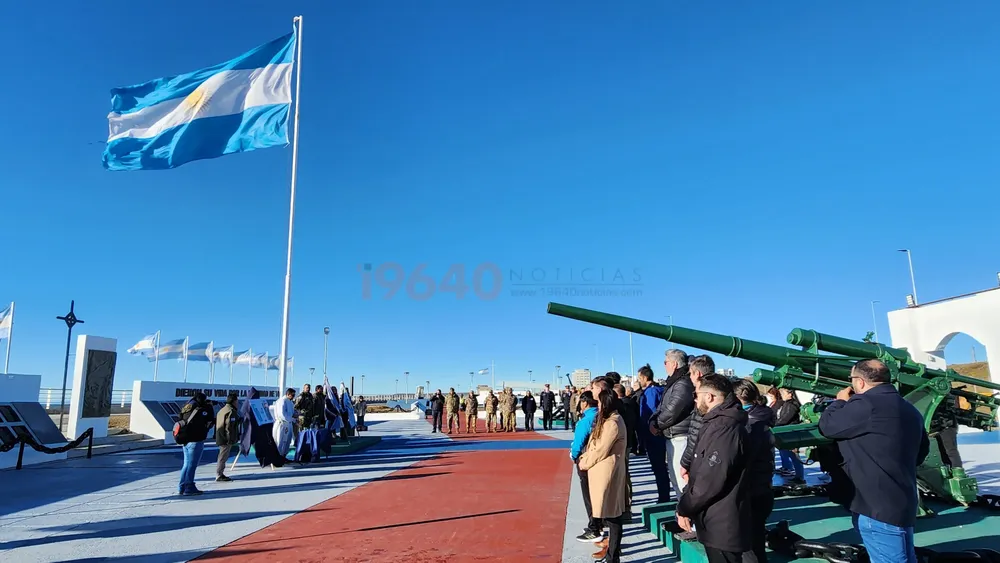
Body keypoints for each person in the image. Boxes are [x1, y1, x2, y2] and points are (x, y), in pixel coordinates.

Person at [818, 359, 929, 563]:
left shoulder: (866, 405)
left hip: (875, 506)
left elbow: (828, 426)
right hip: (902, 499)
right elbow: (921, 452)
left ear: (860, 382)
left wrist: (840, 402)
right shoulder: (909, 409)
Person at [676, 374, 750, 563]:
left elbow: (710, 479)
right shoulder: (715, 423)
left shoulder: (724, 427)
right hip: (716, 518)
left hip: (722, 521)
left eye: (697, 394)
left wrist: (684, 507)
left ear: (709, 397)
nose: (695, 399)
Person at [579, 389, 629, 563]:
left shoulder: (613, 423)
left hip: (607, 473)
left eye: (599, 403)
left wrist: (584, 461)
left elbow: (600, 449)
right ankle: (611, 554)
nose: (597, 406)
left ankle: (613, 556)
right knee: (609, 513)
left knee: (612, 515)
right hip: (602, 471)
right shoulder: (608, 421)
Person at [733, 379, 775, 563]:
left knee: (748, 545)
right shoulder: (763, 418)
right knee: (756, 538)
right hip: (763, 487)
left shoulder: (747, 425)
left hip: (749, 489)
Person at [650, 348, 694, 499]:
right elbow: (662, 407)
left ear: (674, 364)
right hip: (673, 435)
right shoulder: (674, 382)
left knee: (682, 480)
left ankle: (688, 517)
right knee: (676, 479)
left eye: (665, 362)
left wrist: (656, 424)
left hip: (681, 437)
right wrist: (653, 420)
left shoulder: (682, 383)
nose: (664, 365)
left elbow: (673, 410)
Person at [679, 354, 716, 487]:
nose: (690, 377)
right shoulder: (721, 391)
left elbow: (696, 432)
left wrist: (685, 462)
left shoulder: (703, 397)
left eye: (691, 374)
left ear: (698, 374)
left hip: (703, 458)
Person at [571, 391, 602, 543]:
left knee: (589, 494)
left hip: (585, 459)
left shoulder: (586, 420)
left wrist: (573, 455)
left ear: (584, 403)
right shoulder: (601, 415)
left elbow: (578, 442)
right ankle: (598, 523)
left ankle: (594, 526)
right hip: (598, 460)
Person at [636, 364, 670, 502]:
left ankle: (663, 497)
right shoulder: (659, 390)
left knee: (658, 467)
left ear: (644, 377)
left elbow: (650, 412)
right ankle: (664, 495)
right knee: (661, 467)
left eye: (639, 378)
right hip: (658, 434)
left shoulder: (650, 392)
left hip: (652, 435)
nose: (639, 381)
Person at [176, 392, 216, 496]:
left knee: (186, 464)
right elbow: (210, 420)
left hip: (185, 440)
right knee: (192, 465)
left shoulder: (186, 407)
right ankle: (189, 486)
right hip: (195, 440)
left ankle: (182, 486)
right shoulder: (201, 410)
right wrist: (210, 406)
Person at [775, 388, 805, 484]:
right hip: (788, 432)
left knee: (794, 455)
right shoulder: (789, 404)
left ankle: (800, 476)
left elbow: (785, 418)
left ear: (789, 394)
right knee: (790, 454)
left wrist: (776, 426)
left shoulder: (791, 405)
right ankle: (798, 475)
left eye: (783, 393)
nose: (782, 395)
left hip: (790, 433)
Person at [215, 392, 241, 483]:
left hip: (220, 436)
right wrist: (230, 439)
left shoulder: (222, 410)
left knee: (222, 456)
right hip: (225, 438)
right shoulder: (231, 411)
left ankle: (219, 473)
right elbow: (229, 427)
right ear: (234, 401)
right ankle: (219, 474)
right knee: (223, 456)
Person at [273, 388, 296, 457]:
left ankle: (283, 456)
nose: (293, 396)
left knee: (287, 441)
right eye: (292, 395)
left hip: (288, 424)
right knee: (280, 441)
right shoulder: (281, 401)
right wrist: (291, 419)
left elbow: (291, 412)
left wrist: (296, 414)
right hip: (282, 424)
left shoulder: (290, 402)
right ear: (288, 394)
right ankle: (277, 457)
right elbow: (282, 414)